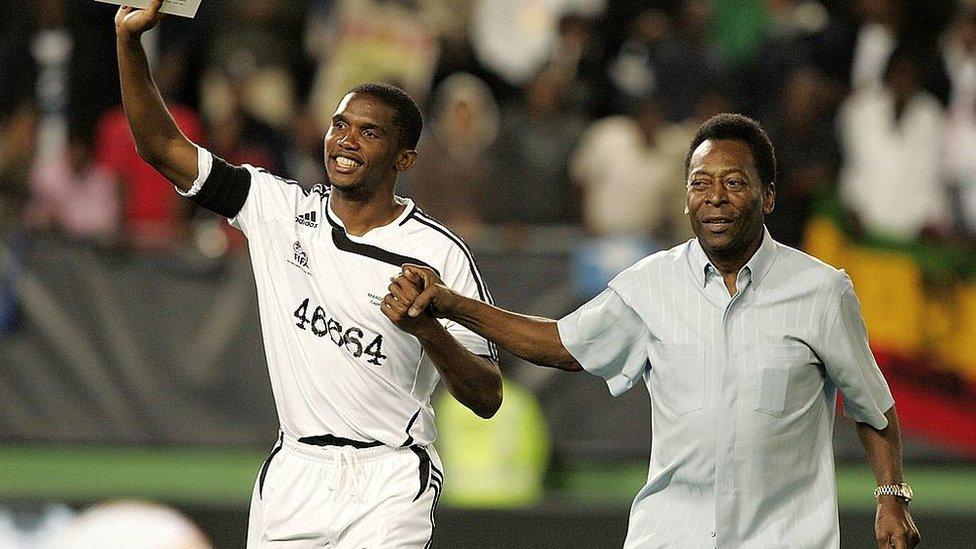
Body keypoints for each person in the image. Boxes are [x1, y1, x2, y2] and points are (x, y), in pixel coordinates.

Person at [385, 114, 921, 548]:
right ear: (685, 197)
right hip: (671, 535)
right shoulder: (650, 284)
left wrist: (891, 497)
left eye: (734, 182)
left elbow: (872, 405)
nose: (715, 196)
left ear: (769, 196)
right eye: (700, 183)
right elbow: (559, 345)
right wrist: (453, 305)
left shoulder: (822, 292)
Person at [113, 2, 502, 547]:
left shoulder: (440, 253)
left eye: (369, 133)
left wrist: (429, 330)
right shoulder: (275, 209)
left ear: (404, 159)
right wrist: (129, 42)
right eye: (340, 124)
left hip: (389, 478)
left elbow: (487, 396)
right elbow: (162, 147)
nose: (345, 140)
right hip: (295, 472)